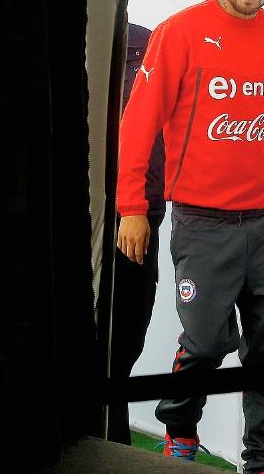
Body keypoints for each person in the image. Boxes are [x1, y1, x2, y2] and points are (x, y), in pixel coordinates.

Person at [116, 0, 264, 474]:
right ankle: (180, 430)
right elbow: (138, 124)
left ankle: (262, 460)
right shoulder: (180, 33)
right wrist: (132, 207)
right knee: (203, 344)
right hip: (202, 224)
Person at [108, 23, 167, 445]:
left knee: (126, 336)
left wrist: (140, 209)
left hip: (136, 217)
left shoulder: (148, 43)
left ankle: (112, 442)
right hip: (98, 210)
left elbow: (156, 133)